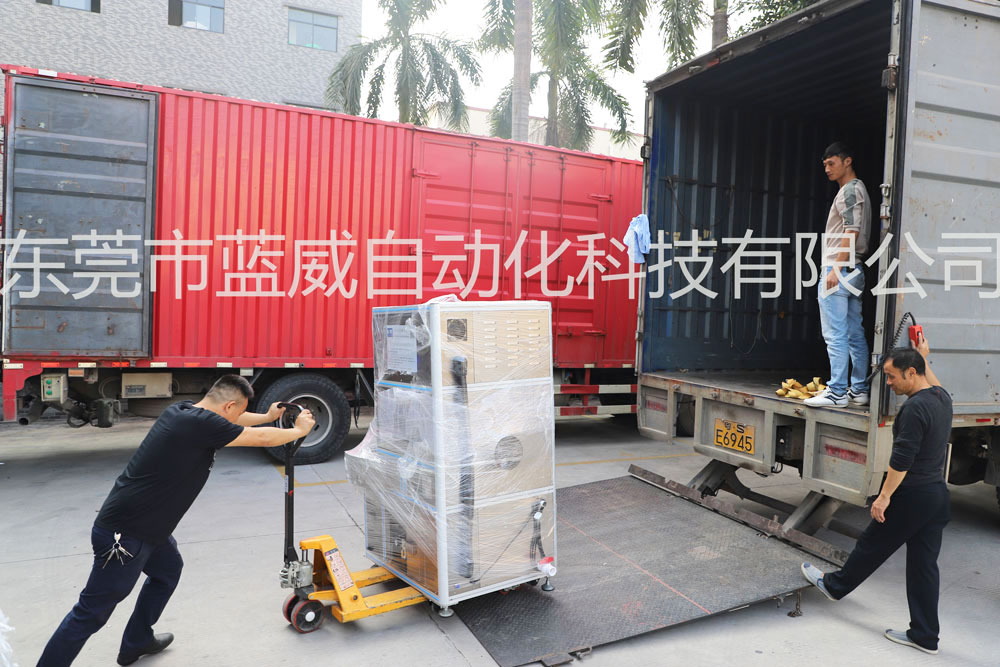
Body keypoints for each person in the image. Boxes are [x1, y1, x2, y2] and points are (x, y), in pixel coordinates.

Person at [37, 375, 315, 667]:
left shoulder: (183, 411)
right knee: (91, 613)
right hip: (125, 534)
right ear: (228, 406)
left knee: (167, 570)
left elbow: (237, 419)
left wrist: (268, 417)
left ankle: (136, 641)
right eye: (237, 411)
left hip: (149, 529)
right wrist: (299, 430)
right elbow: (260, 438)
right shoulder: (203, 425)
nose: (236, 418)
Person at [801, 334, 952, 655]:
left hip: (912, 495)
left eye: (892, 377)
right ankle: (926, 636)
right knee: (924, 567)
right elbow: (934, 382)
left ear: (911, 373)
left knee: (872, 544)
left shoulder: (914, 409)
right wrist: (924, 357)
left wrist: (883, 497)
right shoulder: (941, 399)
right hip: (936, 497)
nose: (889, 383)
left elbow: (901, 460)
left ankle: (834, 586)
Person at [805, 142, 872, 408]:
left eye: (831, 163)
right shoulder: (858, 189)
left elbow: (850, 231)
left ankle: (836, 392)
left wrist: (835, 268)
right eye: (824, 165)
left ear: (847, 161)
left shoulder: (850, 190)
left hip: (840, 269)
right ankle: (858, 390)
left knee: (835, 334)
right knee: (854, 333)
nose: (827, 169)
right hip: (854, 269)